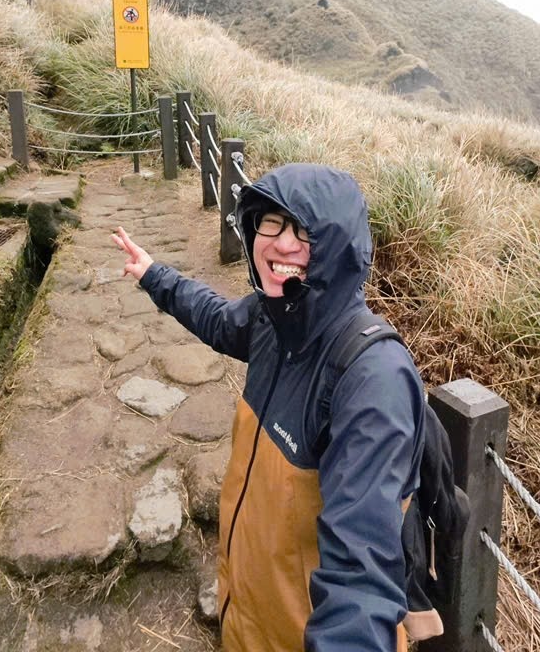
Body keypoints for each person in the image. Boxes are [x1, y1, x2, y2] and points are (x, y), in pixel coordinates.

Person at [112, 163, 424, 651]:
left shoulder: (372, 378)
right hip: (246, 613)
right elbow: (215, 318)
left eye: (304, 230)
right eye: (271, 223)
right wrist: (155, 276)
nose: (281, 243)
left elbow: (360, 578)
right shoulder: (274, 320)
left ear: (340, 248)